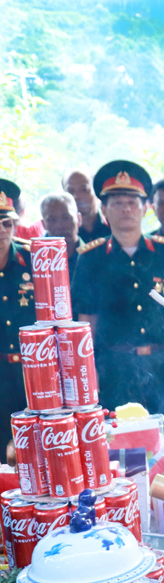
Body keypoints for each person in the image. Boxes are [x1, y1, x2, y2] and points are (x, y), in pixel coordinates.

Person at [72, 161, 164, 433]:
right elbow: (86, 322)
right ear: (104, 210)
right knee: (120, 444)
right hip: (115, 368)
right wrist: (87, 371)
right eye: (117, 203)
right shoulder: (91, 259)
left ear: (145, 208)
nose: (126, 209)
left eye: (132, 202)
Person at [0, 178, 35, 451]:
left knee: (32, 451)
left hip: (32, 374)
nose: (1, 231)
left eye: (7, 224)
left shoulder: (33, 260)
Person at [38, 192, 83, 279]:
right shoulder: (33, 258)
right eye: (52, 220)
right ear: (43, 224)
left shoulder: (94, 257)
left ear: (79, 219)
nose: (60, 225)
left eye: (66, 218)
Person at [63, 168, 111, 245]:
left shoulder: (113, 223)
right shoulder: (61, 230)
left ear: (96, 192)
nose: (76, 196)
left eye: (84, 189)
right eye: (70, 191)